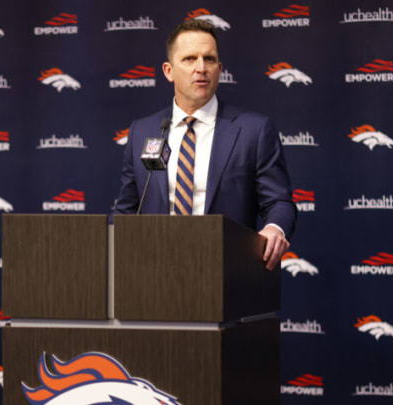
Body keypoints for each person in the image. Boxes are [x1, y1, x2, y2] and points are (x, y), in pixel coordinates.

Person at [113, 20, 296, 270]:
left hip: (226, 271)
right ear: (168, 71)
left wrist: (275, 229)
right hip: (153, 273)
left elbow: (279, 202)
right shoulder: (142, 132)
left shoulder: (254, 130)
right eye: (189, 59)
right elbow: (125, 211)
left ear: (220, 69)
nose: (201, 68)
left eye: (209, 59)